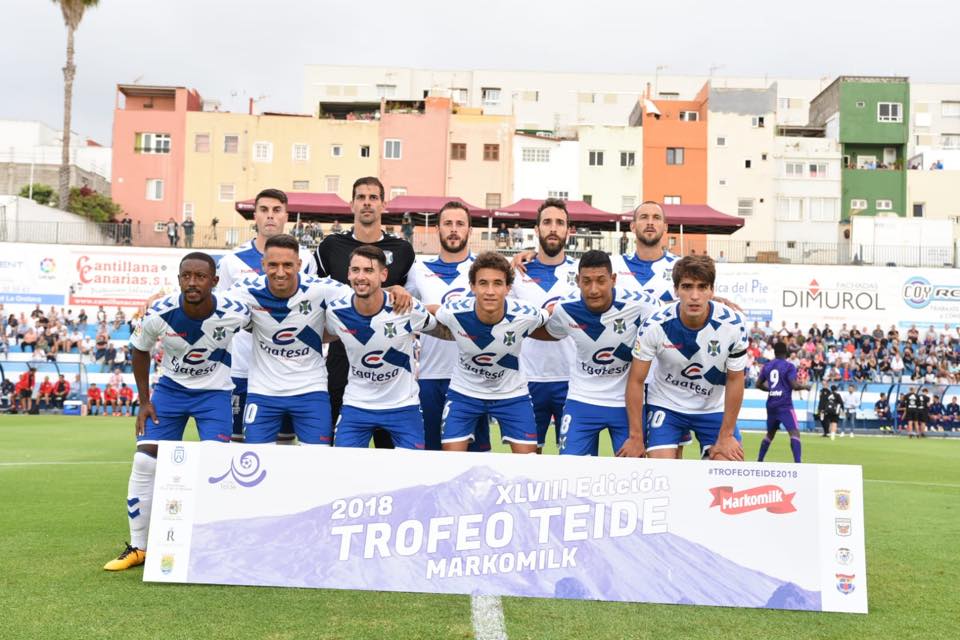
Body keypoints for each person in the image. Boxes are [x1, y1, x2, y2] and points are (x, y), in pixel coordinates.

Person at [103, 252, 251, 571]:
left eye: (200, 276)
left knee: (216, 467)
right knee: (144, 461)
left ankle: (212, 543)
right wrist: (144, 401)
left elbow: (263, 327)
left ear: (214, 281)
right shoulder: (160, 312)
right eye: (187, 276)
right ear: (179, 278)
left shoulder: (235, 311)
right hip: (170, 392)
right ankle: (139, 547)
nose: (193, 282)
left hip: (214, 394)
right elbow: (139, 350)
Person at [313, 177, 416, 448]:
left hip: (389, 361)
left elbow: (414, 299)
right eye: (361, 197)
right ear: (352, 204)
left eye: (373, 197)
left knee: (389, 451)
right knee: (342, 450)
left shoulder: (403, 250)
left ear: (383, 204)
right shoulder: (330, 247)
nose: (367, 203)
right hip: (341, 352)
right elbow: (309, 292)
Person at [529, 250, 658, 455]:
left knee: (632, 474)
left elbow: (673, 314)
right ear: (578, 281)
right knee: (571, 469)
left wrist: (713, 300)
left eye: (601, 281)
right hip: (583, 399)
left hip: (625, 403)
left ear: (613, 280)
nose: (593, 289)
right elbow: (549, 332)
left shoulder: (642, 305)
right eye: (586, 281)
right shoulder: (565, 308)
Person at [215, 188, 316, 444]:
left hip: (288, 371)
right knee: (238, 444)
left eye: (276, 210)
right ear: (255, 216)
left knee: (284, 443)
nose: (270, 216)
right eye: (264, 210)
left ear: (286, 216)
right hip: (242, 367)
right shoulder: (232, 261)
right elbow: (222, 311)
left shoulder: (305, 258)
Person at [228, 235, 348, 447]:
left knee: (317, 460)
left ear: (299, 265)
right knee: (256, 461)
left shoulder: (323, 289)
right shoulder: (245, 291)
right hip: (263, 392)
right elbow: (210, 307)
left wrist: (394, 291)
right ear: (263, 264)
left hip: (311, 390)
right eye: (273, 265)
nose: (280, 272)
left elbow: (365, 298)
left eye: (288, 265)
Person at [624, 255, 747, 460]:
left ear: (712, 290)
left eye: (702, 287)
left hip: (712, 408)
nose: (695, 296)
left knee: (727, 470)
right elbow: (636, 380)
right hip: (667, 404)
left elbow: (736, 379)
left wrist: (726, 436)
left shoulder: (733, 325)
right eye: (687, 287)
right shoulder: (655, 324)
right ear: (676, 290)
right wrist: (636, 437)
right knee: (661, 473)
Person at [430, 252, 548, 453]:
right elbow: (427, 310)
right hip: (464, 393)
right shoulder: (453, 311)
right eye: (483, 283)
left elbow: (554, 316)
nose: (490, 291)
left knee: (529, 464)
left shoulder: (527, 314)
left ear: (508, 288)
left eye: (498, 283)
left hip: (511, 393)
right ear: (472, 286)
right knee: (449, 462)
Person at [325, 246, 437, 449]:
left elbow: (440, 328)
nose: (361, 276)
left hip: (403, 406)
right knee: (342, 468)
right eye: (356, 270)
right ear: (348, 273)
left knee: (415, 471)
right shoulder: (336, 311)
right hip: (357, 405)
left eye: (369, 270)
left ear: (383, 274)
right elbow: (320, 335)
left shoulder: (407, 309)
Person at [404, 201, 486, 451]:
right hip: (430, 377)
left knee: (476, 461)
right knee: (431, 456)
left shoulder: (484, 270)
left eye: (460, 224)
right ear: (437, 228)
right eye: (448, 223)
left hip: (474, 378)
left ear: (469, 230)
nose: (453, 229)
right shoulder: (418, 270)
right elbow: (403, 311)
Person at [509, 198, 579, 452]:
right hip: (527, 379)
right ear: (536, 230)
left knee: (572, 462)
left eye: (560, 223)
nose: (553, 228)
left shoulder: (582, 273)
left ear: (568, 231)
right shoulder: (516, 272)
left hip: (572, 380)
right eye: (547, 222)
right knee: (527, 463)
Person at [756, 342, 810, 463]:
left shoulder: (767, 366)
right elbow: (794, 385)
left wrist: (770, 389)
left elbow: (757, 384)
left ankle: (759, 461)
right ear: (786, 353)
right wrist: (805, 386)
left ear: (774, 353)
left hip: (771, 405)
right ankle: (798, 463)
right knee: (794, 433)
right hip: (784, 405)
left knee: (770, 434)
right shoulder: (789, 366)